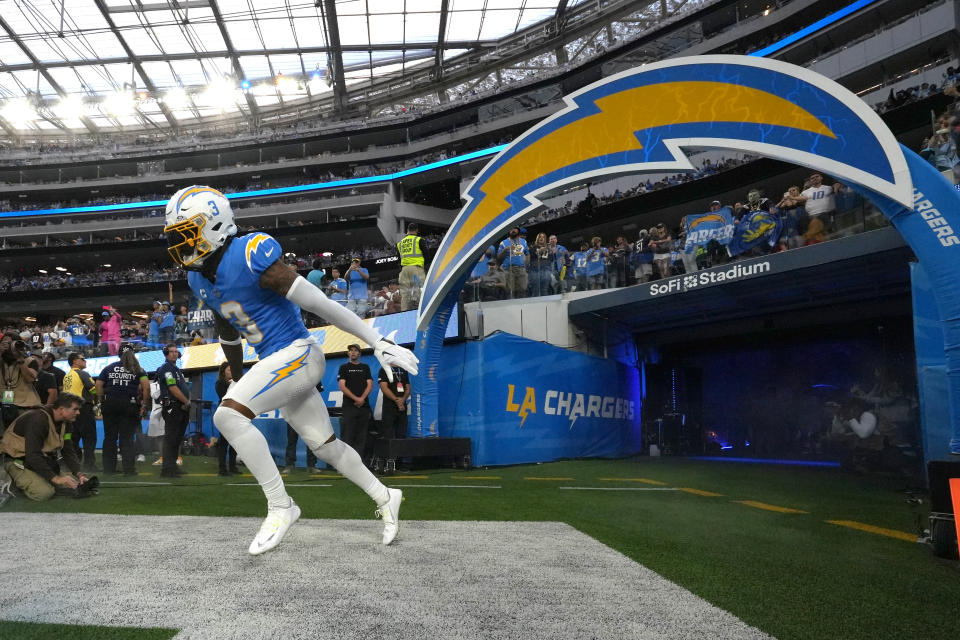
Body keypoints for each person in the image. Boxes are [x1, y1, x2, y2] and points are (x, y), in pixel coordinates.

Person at [162, 185, 418, 554]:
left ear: (214, 226)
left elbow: (320, 303)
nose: (181, 245)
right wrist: (234, 373)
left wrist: (373, 340)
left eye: (187, 233)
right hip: (276, 363)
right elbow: (227, 329)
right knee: (324, 445)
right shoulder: (198, 277)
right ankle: (385, 495)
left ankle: (282, 506)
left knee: (228, 418)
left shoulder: (249, 254)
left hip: (299, 353)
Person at [0, 393, 97, 501]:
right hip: (17, 461)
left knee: (71, 484)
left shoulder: (66, 423)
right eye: (75, 409)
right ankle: (12, 483)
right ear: (61, 409)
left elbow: (67, 450)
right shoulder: (38, 419)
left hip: (37, 461)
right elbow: (33, 454)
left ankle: (38, 479)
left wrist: (79, 474)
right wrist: (55, 478)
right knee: (44, 493)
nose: (78, 412)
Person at [96, 345, 149, 476]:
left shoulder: (109, 368)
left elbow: (98, 384)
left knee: (110, 437)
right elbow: (146, 387)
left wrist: (101, 400)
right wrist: (144, 404)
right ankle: (129, 470)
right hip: (129, 405)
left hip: (110, 404)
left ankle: (109, 469)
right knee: (127, 438)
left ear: (119, 355)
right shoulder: (138, 369)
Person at [156, 343, 190, 478]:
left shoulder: (175, 369)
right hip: (173, 406)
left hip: (179, 407)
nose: (175, 353)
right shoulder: (167, 369)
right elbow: (172, 388)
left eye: (176, 351)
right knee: (171, 438)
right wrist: (186, 401)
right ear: (166, 353)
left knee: (177, 439)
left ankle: (173, 467)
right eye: (172, 351)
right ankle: (167, 469)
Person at [62, 352, 98, 472]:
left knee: (73, 438)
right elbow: (94, 390)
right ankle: (89, 465)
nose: (85, 361)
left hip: (69, 410)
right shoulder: (82, 373)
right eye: (82, 359)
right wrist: (96, 401)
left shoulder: (67, 376)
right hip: (83, 409)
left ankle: (75, 464)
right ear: (74, 361)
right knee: (89, 437)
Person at [338, 344, 374, 466]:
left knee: (362, 436)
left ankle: (359, 464)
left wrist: (362, 398)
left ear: (359, 354)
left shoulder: (365, 367)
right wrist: (356, 399)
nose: (353, 352)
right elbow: (342, 386)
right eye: (351, 350)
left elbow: (370, 384)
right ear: (348, 353)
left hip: (364, 407)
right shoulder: (344, 367)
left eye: (356, 351)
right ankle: (346, 464)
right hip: (349, 407)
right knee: (348, 435)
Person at [214, 362, 239, 477]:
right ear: (223, 371)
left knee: (235, 442)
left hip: (235, 413)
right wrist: (232, 385)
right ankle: (222, 469)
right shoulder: (220, 383)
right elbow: (224, 397)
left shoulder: (236, 383)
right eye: (229, 370)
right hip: (224, 414)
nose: (231, 372)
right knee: (224, 442)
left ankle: (233, 466)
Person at [397, 222, 425, 311]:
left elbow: (398, 259)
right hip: (416, 269)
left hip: (404, 270)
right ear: (417, 230)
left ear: (407, 231)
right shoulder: (419, 240)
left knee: (404, 294)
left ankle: (404, 312)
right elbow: (427, 255)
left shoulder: (400, 243)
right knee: (419, 291)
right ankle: (421, 311)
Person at [378, 364, 410, 440]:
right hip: (389, 405)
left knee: (402, 433)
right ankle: (389, 452)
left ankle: (401, 451)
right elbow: (384, 388)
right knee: (388, 434)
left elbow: (408, 388)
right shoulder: (384, 369)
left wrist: (402, 400)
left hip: (402, 405)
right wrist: (397, 401)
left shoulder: (403, 370)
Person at [498, 227, 529, 299]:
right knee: (509, 291)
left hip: (521, 269)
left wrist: (526, 266)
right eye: (511, 228)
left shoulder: (523, 242)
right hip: (508, 270)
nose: (513, 230)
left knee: (523, 290)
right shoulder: (503, 243)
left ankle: (522, 308)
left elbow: (527, 253)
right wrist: (505, 249)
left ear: (518, 230)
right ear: (509, 231)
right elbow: (498, 257)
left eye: (515, 228)